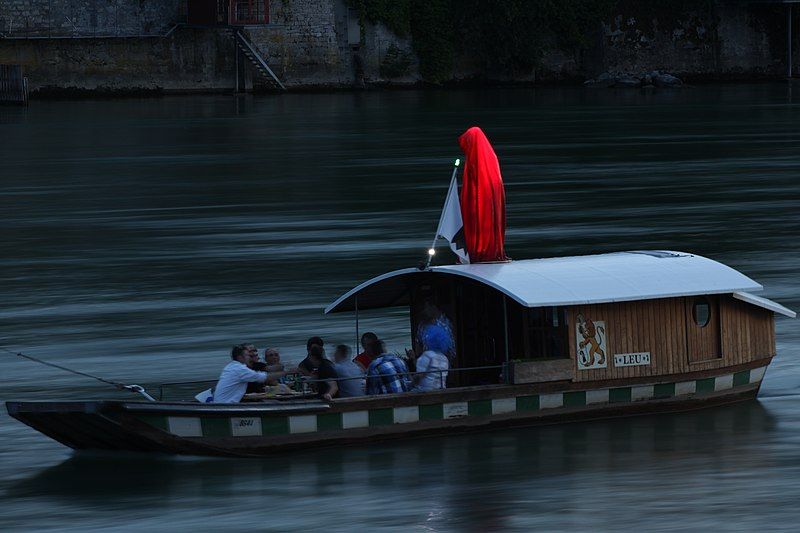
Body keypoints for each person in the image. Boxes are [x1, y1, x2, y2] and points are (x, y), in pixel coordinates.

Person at [214, 344, 288, 403]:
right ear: (240, 357)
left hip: (224, 404)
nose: (249, 358)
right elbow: (263, 377)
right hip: (227, 406)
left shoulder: (230, 366)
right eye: (248, 355)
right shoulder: (240, 369)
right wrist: (287, 372)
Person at [410, 325, 450, 392]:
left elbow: (419, 376)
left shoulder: (427, 355)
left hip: (425, 391)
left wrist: (411, 383)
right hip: (441, 390)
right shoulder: (444, 358)